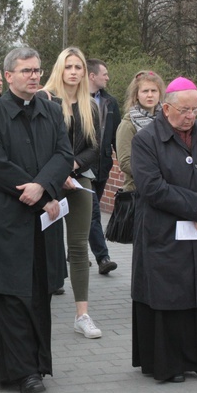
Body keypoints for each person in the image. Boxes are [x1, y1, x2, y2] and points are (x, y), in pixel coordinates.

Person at [0, 47, 73, 393]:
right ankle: (21, 372)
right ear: (8, 76)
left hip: (42, 216)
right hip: (5, 218)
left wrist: (42, 187)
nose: (34, 75)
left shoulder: (50, 110)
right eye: (27, 70)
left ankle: (37, 366)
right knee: (10, 296)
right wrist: (31, 189)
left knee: (38, 293)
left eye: (37, 69)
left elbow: (65, 154)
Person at [131, 76, 197, 383]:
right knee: (171, 296)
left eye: (195, 109)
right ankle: (171, 363)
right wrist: (195, 209)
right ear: (166, 108)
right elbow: (152, 187)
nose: (190, 116)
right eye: (184, 110)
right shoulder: (146, 140)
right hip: (165, 232)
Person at [41, 47, 102, 339]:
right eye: (69, 66)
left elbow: (95, 147)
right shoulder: (45, 99)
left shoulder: (91, 104)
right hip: (47, 183)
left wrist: (73, 167)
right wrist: (58, 173)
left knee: (78, 247)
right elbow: (38, 146)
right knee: (38, 246)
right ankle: (32, 309)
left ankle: (82, 315)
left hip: (79, 182)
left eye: (78, 67)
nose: (74, 72)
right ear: (60, 69)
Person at [86, 59, 119, 275]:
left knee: (88, 210)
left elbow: (117, 135)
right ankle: (102, 257)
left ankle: (75, 248)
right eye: (104, 74)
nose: (107, 78)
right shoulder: (74, 100)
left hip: (103, 166)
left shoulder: (110, 102)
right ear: (92, 76)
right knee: (93, 212)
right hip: (82, 167)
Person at [116, 71, 165, 194]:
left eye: (154, 91)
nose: (150, 95)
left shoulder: (166, 121)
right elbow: (125, 162)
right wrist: (155, 174)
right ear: (136, 95)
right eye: (145, 91)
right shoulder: (128, 124)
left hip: (164, 189)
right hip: (137, 190)